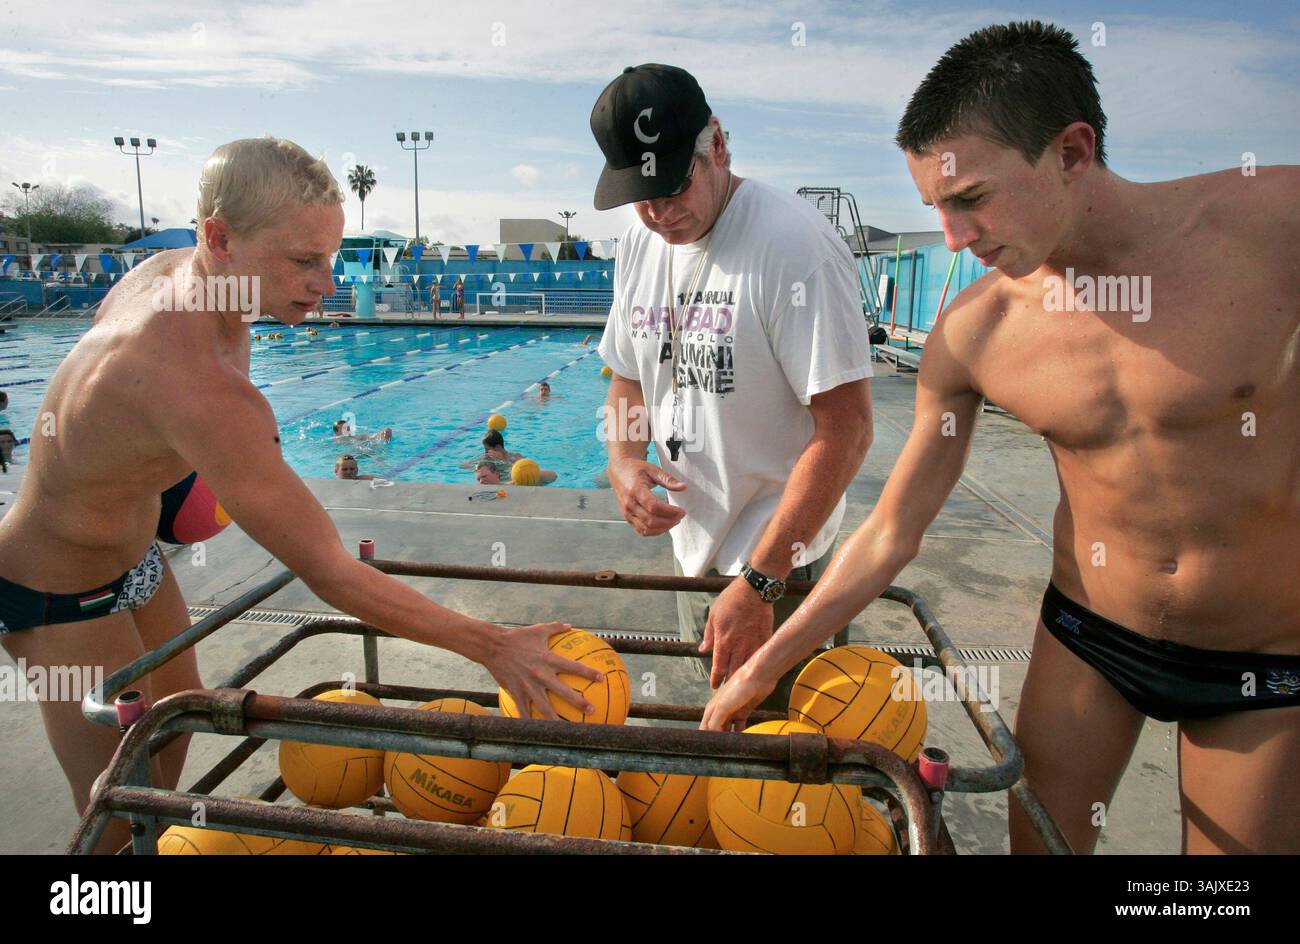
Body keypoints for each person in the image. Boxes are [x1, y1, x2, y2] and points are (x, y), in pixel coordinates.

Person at [700, 22, 1300, 855]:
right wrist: (770, 656)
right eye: (935, 209)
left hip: (1263, 661)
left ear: (1072, 151)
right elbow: (891, 532)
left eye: (971, 198)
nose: (953, 236)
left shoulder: (1271, 226)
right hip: (1090, 642)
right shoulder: (978, 331)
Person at [0, 136, 602, 853]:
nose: (327, 282)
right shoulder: (191, 381)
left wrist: (143, 470)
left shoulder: (180, 276)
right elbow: (331, 571)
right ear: (219, 237)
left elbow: (111, 428)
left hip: (141, 564)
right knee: (115, 818)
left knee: (168, 752)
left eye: (331, 257)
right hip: (59, 591)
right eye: (303, 261)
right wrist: (495, 646)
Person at [590, 64, 874, 709]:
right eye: (642, 194)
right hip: (692, 549)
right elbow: (628, 378)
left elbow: (848, 430)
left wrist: (763, 579)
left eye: (675, 185)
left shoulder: (795, 247)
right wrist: (625, 463)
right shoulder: (640, 239)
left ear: (717, 144)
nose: (661, 212)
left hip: (782, 562)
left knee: (788, 762)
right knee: (725, 742)